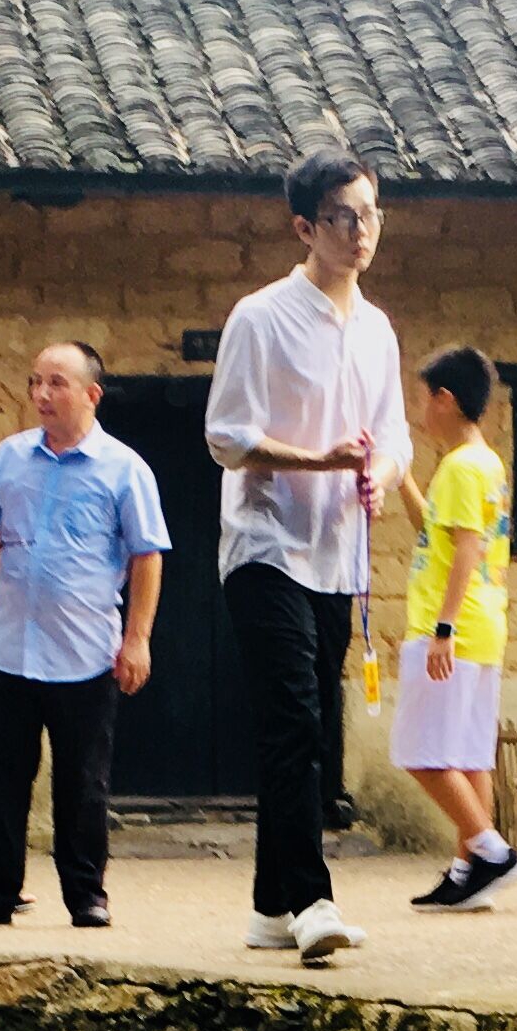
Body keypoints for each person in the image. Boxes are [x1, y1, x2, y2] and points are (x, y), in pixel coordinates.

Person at [207, 146, 408, 967]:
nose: (361, 232)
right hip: (266, 544)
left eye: (370, 215)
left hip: (338, 554)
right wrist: (319, 460)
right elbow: (226, 436)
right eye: (342, 218)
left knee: (313, 724)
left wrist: (380, 477)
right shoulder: (261, 316)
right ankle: (312, 898)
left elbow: (391, 435)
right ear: (304, 227)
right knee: (292, 719)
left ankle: (266, 908)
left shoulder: (380, 328)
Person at [0, 344, 167, 934]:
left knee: (82, 785)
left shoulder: (125, 468)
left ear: (91, 394)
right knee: (0, 779)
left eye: (56, 383)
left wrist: (138, 639)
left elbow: (147, 556)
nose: (42, 395)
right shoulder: (9, 456)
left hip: (84, 651)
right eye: (35, 383)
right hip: (9, 648)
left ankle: (86, 896)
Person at [398, 346, 517, 909]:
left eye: (425, 399)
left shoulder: (459, 468)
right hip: (485, 624)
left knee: (421, 750)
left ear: (445, 399)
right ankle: (467, 869)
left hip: (449, 625)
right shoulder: (485, 463)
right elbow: (438, 531)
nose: (421, 411)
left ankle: (491, 851)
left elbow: (467, 550)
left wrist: (442, 629)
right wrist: (401, 476)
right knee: (470, 753)